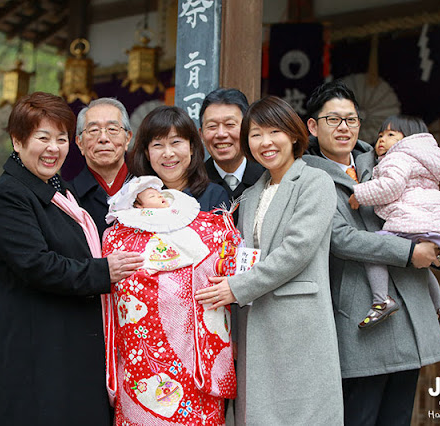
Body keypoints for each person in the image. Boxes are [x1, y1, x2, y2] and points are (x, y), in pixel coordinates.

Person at [0, 92, 144, 425]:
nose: (53, 148)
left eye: (60, 138)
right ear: (17, 141)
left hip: (67, 346)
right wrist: (105, 271)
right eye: (42, 138)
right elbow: (38, 265)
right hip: (38, 352)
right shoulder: (9, 195)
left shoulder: (58, 190)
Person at [304, 80, 440, 426]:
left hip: (409, 306)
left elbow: (425, 201)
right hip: (360, 314)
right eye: (333, 120)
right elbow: (341, 238)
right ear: (313, 126)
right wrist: (408, 250)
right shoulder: (309, 176)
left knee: (399, 416)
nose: (344, 128)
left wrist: (438, 246)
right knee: (361, 415)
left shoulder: (389, 159)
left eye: (351, 120)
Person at [195, 96, 343, 425]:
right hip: (255, 321)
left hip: (299, 323)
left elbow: (297, 250)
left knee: (303, 414)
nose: (265, 142)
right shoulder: (249, 195)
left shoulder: (315, 183)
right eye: (256, 134)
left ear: (293, 135)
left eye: (274, 132)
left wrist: (238, 286)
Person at [102, 176, 240, 425]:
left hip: (192, 345)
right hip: (142, 346)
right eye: (152, 196)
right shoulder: (119, 236)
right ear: (138, 207)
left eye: (161, 194)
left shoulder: (202, 225)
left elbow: (224, 250)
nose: (161, 197)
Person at [348, 115, 440, 329]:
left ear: (408, 139)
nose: (381, 140)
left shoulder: (397, 157)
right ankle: (439, 309)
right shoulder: (424, 159)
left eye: (391, 135)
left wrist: (359, 194)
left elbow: (390, 186)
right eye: (380, 135)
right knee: (422, 266)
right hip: (435, 221)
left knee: (374, 249)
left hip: (412, 219)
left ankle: (381, 300)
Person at [127, 105, 228, 211]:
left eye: (175, 142)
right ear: (147, 153)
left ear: (191, 148)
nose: (168, 153)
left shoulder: (214, 195)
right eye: (158, 145)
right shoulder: (134, 197)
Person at [70, 98, 134, 237]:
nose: (103, 138)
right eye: (93, 130)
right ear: (80, 143)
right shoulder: (69, 197)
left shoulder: (148, 186)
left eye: (112, 129)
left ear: (127, 138)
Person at [199, 89, 264, 218]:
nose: (221, 134)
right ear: (201, 134)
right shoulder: (194, 182)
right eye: (212, 126)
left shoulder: (267, 176)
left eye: (230, 124)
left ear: (247, 128)